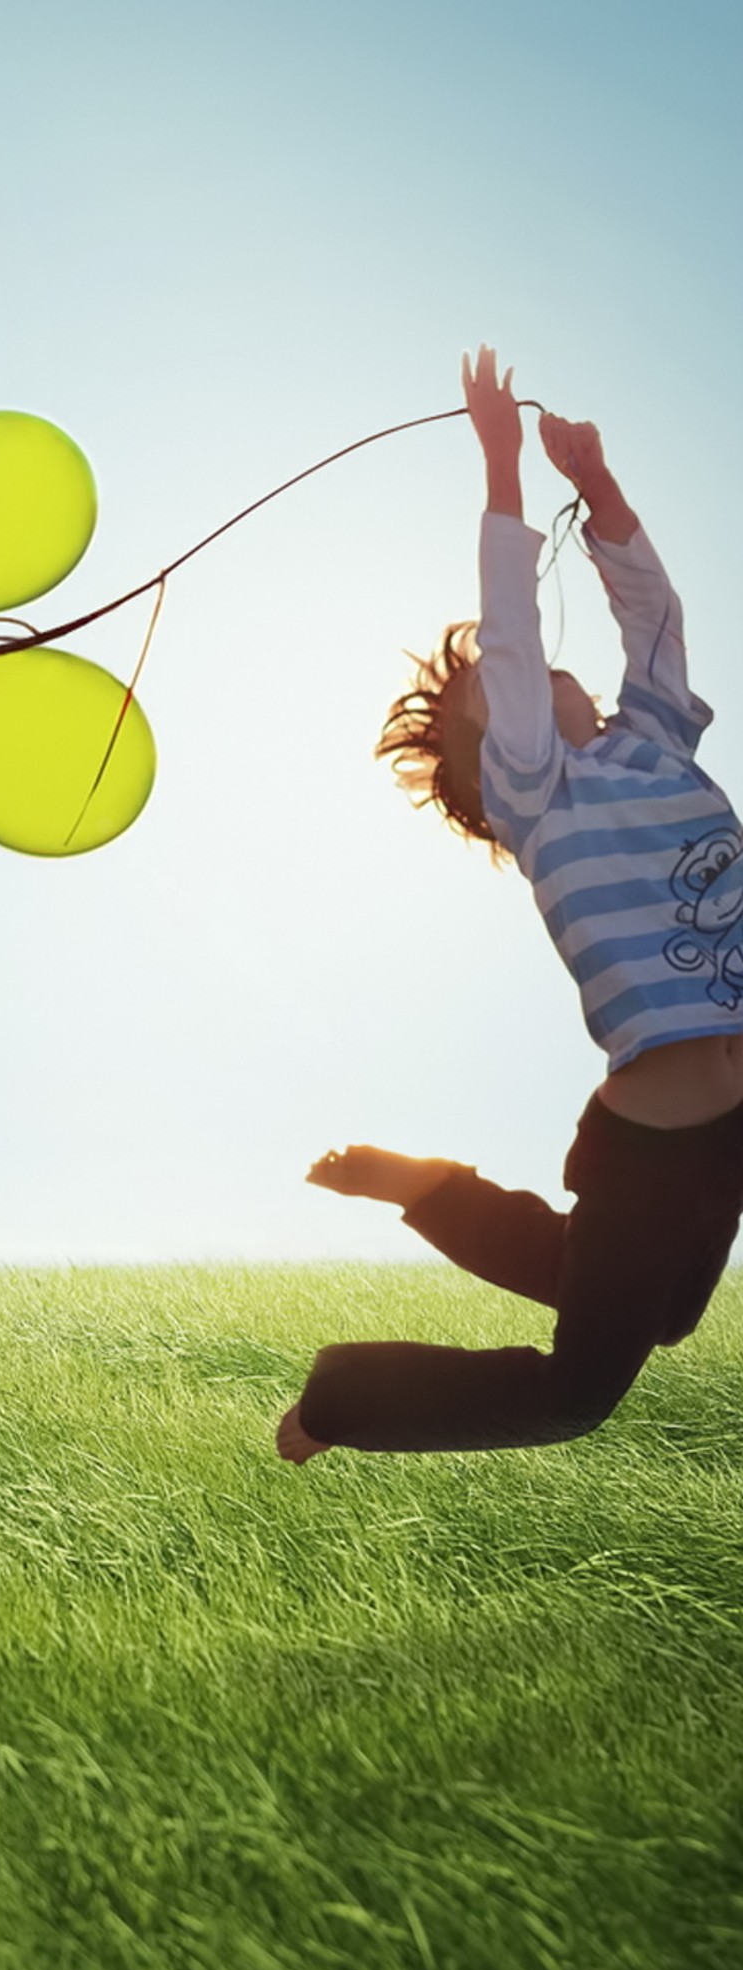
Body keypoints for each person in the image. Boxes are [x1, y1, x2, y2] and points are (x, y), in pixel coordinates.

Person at [277, 344, 743, 1461]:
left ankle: (433, 1192)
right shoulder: (540, 791)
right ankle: (334, 1404)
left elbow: (656, 620)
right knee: (577, 1394)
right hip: (661, 1135)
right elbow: (516, 630)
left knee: (664, 1313)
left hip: (724, 1121)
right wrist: (501, 465)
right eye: (500, 686)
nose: (517, 669)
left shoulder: (652, 744)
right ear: (501, 753)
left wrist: (601, 486)